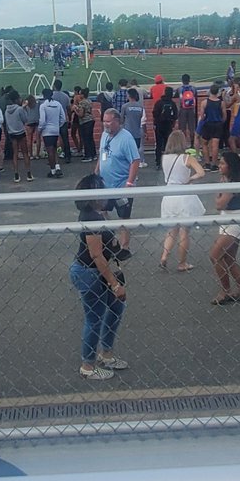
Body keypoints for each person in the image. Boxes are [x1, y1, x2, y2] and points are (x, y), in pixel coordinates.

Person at [69, 175, 129, 382]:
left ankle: (107, 355)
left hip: (96, 271)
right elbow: (96, 255)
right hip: (89, 272)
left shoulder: (96, 214)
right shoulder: (90, 218)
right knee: (94, 318)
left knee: (116, 308)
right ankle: (88, 365)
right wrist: (114, 284)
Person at [159, 129, 206, 271]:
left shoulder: (164, 158)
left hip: (168, 195)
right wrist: (190, 179)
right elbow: (201, 173)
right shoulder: (187, 158)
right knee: (184, 232)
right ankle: (182, 263)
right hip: (184, 196)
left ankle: (164, 257)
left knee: (171, 230)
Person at [95, 107, 140, 253]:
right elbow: (102, 154)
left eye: (108, 121)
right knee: (101, 211)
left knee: (124, 217)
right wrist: (96, 171)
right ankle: (111, 236)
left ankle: (124, 247)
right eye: (104, 121)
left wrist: (129, 183)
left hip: (121, 186)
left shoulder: (126, 138)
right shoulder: (104, 135)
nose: (106, 124)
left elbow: (135, 160)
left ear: (117, 121)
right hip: (105, 185)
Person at [209, 149, 240, 305]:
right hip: (230, 219)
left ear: (230, 166)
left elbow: (219, 204)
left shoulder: (233, 183)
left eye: (222, 163)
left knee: (215, 255)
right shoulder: (232, 180)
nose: (219, 166)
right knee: (229, 258)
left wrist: (220, 190)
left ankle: (225, 290)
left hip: (235, 221)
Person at [4, 89, 33, 182]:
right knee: (25, 153)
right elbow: (25, 120)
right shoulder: (19, 109)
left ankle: (16, 175)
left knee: (15, 154)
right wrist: (25, 109)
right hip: (20, 133)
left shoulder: (6, 110)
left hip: (12, 133)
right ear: (16, 99)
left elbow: (7, 123)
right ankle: (28, 174)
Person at [38, 88, 66, 179]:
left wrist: (40, 129)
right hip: (55, 130)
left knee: (50, 151)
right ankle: (57, 167)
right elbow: (63, 118)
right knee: (54, 149)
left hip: (47, 131)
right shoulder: (57, 104)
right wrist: (58, 125)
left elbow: (42, 120)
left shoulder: (43, 106)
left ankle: (53, 170)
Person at [199, 83, 225, 170]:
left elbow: (202, 116)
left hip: (208, 124)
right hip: (217, 124)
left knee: (204, 143)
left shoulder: (204, 102)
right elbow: (224, 116)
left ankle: (207, 163)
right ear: (218, 92)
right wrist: (221, 122)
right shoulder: (221, 103)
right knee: (215, 145)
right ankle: (214, 164)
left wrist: (204, 120)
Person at [152, 85, 177, 167]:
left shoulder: (159, 102)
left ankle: (158, 162)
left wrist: (156, 122)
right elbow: (175, 115)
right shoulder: (172, 103)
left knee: (159, 144)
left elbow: (154, 113)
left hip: (159, 125)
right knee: (168, 144)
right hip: (168, 125)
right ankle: (167, 161)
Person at [176, 73, 198, 146]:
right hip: (191, 109)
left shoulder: (180, 89)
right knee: (192, 127)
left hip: (182, 109)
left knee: (182, 128)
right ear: (189, 80)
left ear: (182, 80)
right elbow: (196, 97)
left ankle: (183, 144)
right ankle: (192, 144)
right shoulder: (193, 88)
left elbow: (176, 96)